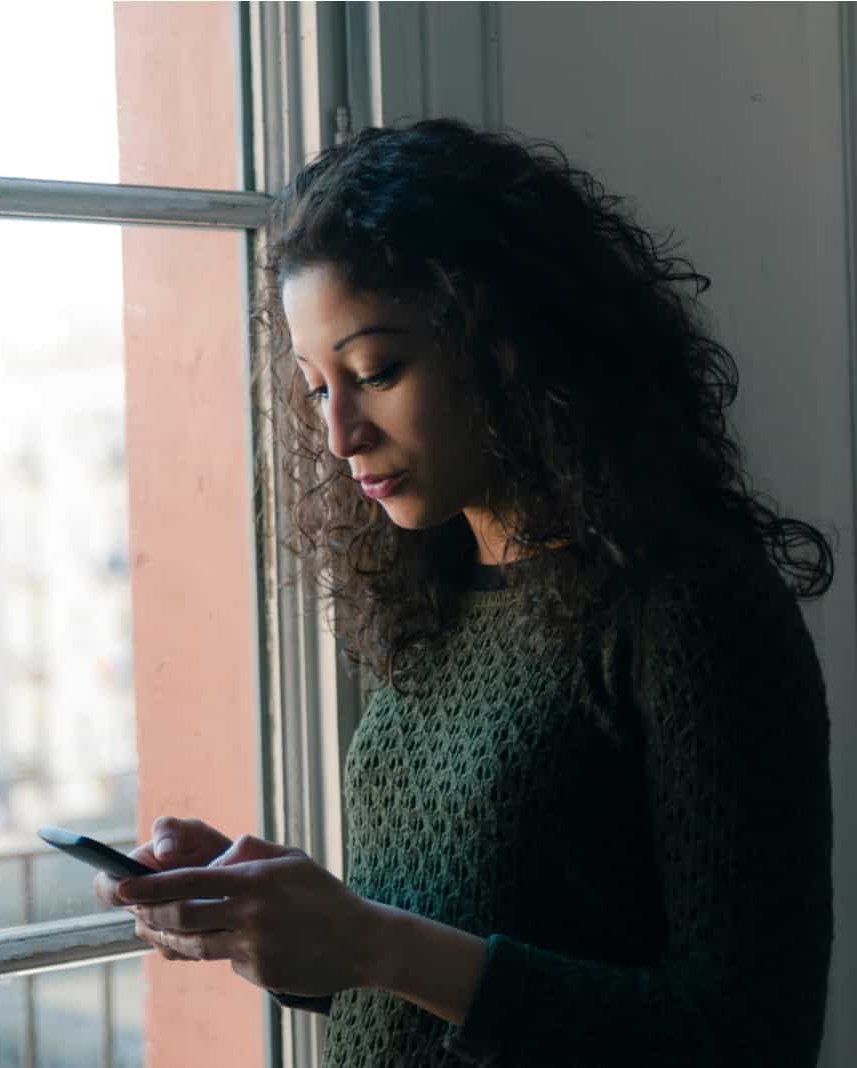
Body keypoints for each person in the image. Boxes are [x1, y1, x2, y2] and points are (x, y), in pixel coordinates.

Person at [92, 118, 834, 1066]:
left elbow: (747, 1036)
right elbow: (456, 972)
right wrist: (285, 929)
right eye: (317, 388)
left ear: (509, 343)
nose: (339, 435)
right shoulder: (444, 592)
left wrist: (373, 941)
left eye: (375, 372)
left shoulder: (690, 607)